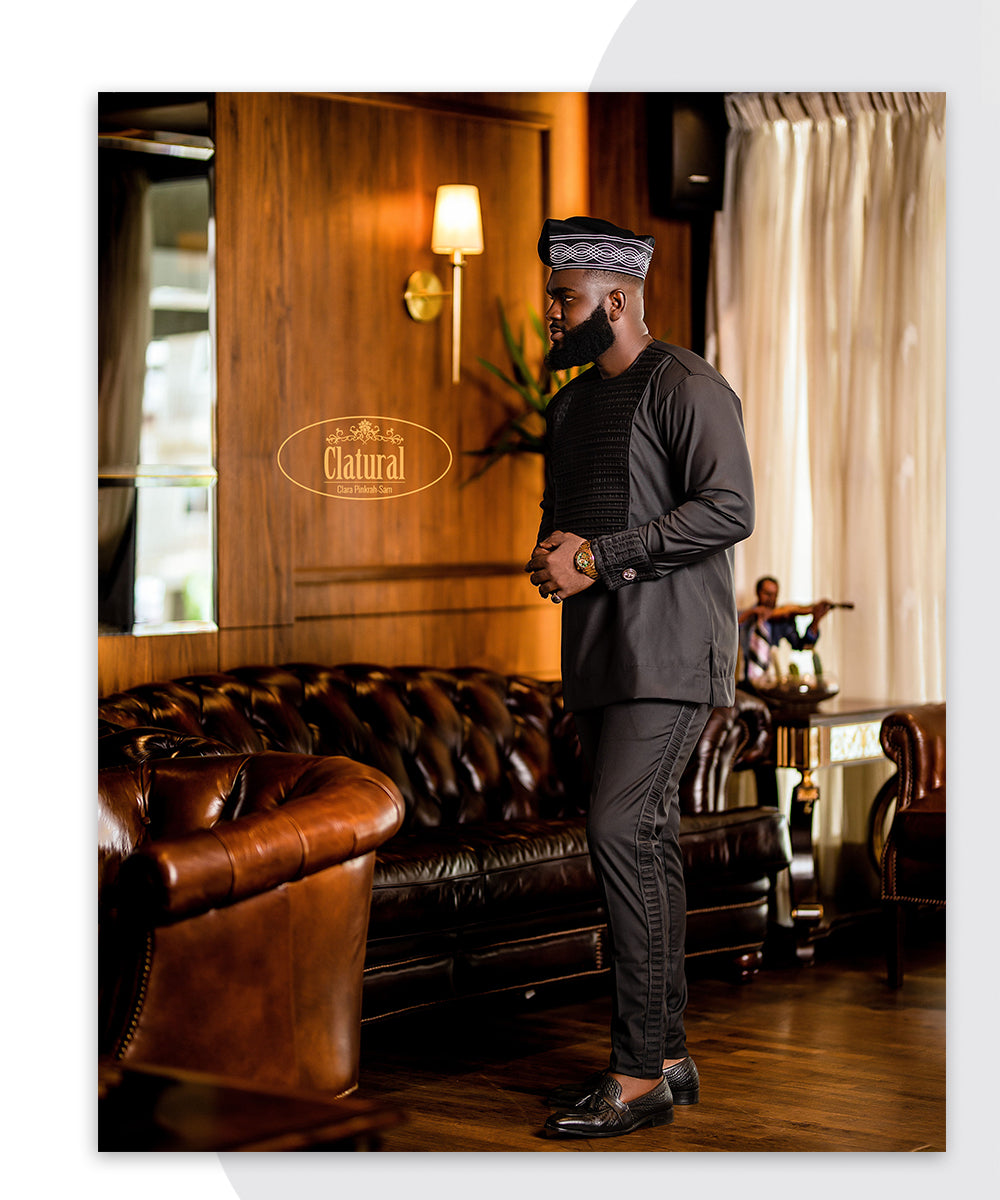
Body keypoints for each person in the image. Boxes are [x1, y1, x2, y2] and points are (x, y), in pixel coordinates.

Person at [525, 216, 755, 1138]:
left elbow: (728, 507)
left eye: (565, 298)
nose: (552, 313)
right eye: (551, 297)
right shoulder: (568, 408)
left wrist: (599, 556)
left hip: (669, 651)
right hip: (599, 656)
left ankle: (634, 1076)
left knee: (619, 828)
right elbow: (569, 521)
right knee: (644, 841)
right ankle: (664, 1058)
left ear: (615, 299)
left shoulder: (686, 383)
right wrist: (552, 557)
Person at [737, 576, 833, 686]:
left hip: (768, 684)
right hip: (744, 683)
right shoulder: (745, 617)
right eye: (767, 594)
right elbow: (731, 631)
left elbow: (802, 645)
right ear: (758, 592)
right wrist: (752, 613)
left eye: (775, 595)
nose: (771, 599)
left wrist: (816, 620)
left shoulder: (782, 620)